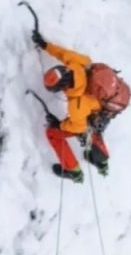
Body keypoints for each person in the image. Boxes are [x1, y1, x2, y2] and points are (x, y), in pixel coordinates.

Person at [32, 29, 110, 184]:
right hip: (100, 106)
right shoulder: (77, 64)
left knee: (53, 133)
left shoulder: (76, 105)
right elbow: (63, 53)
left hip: (89, 111)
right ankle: (101, 162)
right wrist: (45, 45)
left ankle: (73, 171)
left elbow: (78, 127)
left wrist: (59, 124)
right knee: (91, 125)